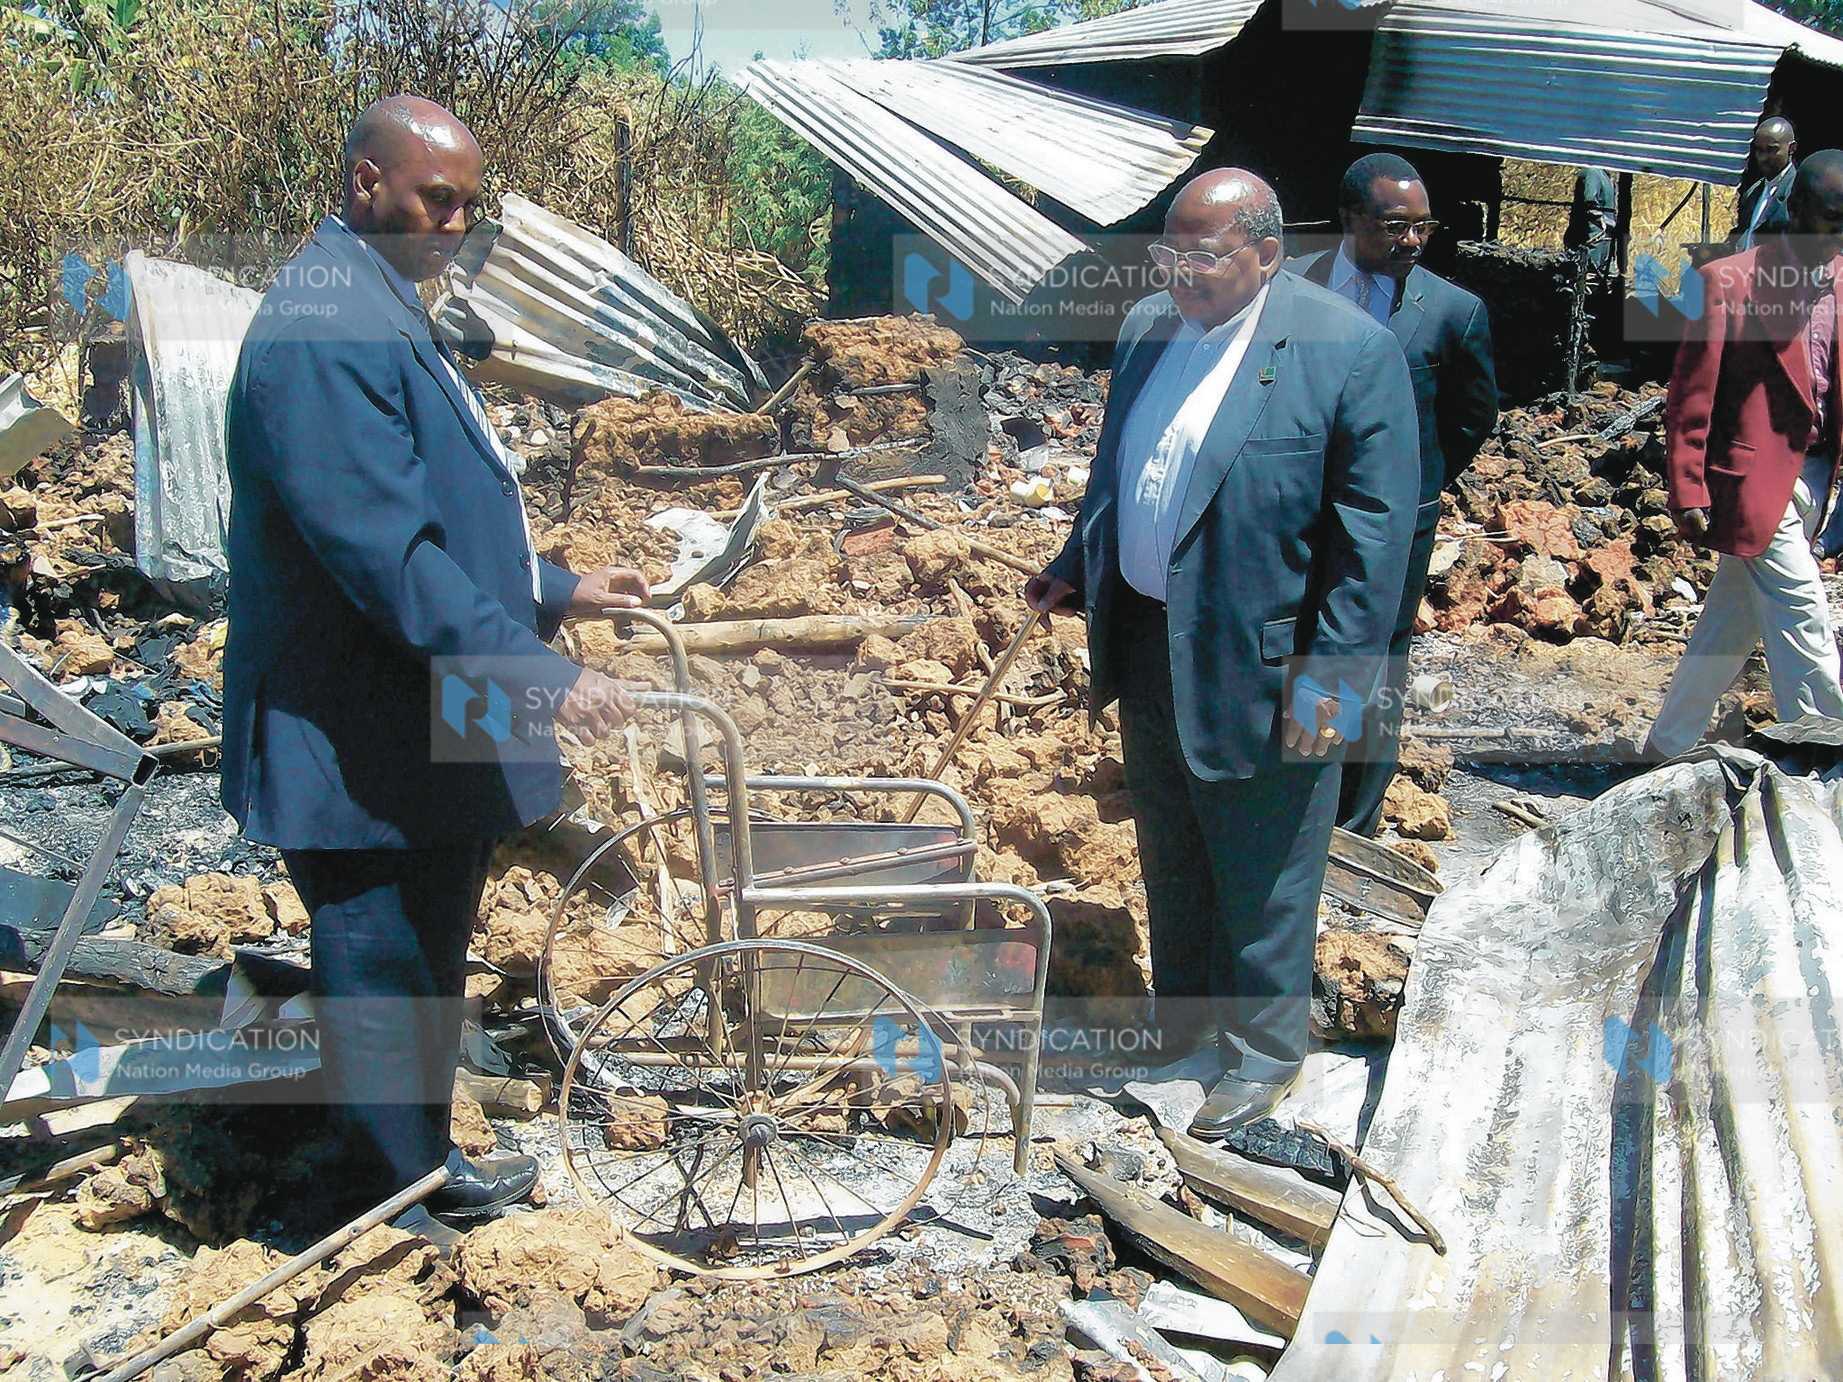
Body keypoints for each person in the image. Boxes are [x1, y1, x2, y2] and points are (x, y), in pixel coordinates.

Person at [223, 96, 645, 1242]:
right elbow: (385, 552)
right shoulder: (323, 326)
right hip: (355, 727)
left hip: (420, 709)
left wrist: (558, 588)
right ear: (365, 184)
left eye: (468, 203)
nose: (454, 222)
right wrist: (537, 672)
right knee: (376, 958)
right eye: (433, 199)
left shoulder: (381, 301)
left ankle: (422, 1159)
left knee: (425, 951)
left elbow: (444, 514)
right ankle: (379, 1195)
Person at [1026, 169, 1419, 1139]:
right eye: (1169, 252)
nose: (1179, 273)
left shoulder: (1349, 352)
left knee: (1267, 866)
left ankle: (1260, 1055)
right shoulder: (1148, 330)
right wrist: (1076, 562)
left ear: (1267, 252)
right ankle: (1188, 1027)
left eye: (1201, 255)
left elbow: (1375, 541)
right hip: (1151, 637)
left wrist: (1331, 680)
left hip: (1271, 661)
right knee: (1175, 849)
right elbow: (1123, 468)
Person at [1290, 153, 1497, 838]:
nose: (1410, 240)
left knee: (1373, 656)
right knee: (1297, 640)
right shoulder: (1291, 288)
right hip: (1296, 511)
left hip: (1395, 526)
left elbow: (1470, 417)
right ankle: (1293, 790)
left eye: (1422, 227)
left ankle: (1351, 818)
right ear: (1349, 221)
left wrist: (1412, 486)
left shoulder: (1451, 313)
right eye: (1392, 226)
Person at [1644, 150, 1843, 760]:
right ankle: (1826, 752)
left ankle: (1666, 746)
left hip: (1816, 477)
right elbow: (1690, 396)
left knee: (1729, 627)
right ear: (1795, 208)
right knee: (1801, 613)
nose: (1835, 237)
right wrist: (1688, 487)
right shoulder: (1729, 281)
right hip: (1752, 479)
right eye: (1827, 220)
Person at [1731, 117, 1798, 251]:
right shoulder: (1753, 192)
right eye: (1759, 150)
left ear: (1791, 148)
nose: (1763, 157)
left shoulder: (1797, 192)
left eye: (1771, 149)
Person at [1565, 166, 1619, 272]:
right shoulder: (1592, 173)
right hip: (1593, 238)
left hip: (1605, 239)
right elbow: (1590, 203)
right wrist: (1604, 222)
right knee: (1591, 274)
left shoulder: (1605, 175)